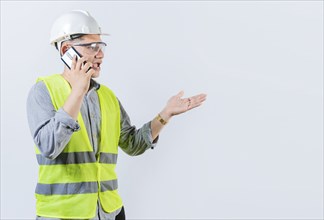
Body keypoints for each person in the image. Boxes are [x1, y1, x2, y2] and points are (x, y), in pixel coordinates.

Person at [27, 10, 207, 220]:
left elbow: (133, 144)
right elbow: (49, 146)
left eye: (101, 46)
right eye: (91, 47)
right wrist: (77, 91)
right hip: (63, 215)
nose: (100, 54)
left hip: (109, 213)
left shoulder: (108, 97)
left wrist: (165, 115)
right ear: (66, 50)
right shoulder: (43, 91)